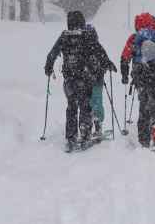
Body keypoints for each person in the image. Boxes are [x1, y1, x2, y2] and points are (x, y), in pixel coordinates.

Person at [45, 10, 116, 151]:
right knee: (85, 106)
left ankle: (71, 137)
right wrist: (107, 62)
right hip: (84, 77)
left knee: (71, 107)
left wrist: (49, 66)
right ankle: (85, 133)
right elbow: (98, 50)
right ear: (82, 21)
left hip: (69, 80)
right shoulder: (87, 35)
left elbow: (52, 53)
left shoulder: (64, 36)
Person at [120, 12, 155, 148]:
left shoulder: (134, 38)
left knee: (144, 103)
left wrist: (125, 74)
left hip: (141, 74)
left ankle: (143, 137)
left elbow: (125, 57)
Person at [83, 23, 118, 140]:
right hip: (97, 80)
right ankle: (97, 126)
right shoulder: (97, 46)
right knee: (97, 102)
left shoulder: (82, 47)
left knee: (87, 104)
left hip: (85, 81)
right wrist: (109, 65)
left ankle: (86, 128)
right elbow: (105, 59)